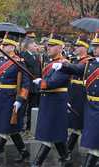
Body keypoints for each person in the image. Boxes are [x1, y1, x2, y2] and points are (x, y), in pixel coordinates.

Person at [52, 34, 99, 167]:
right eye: (94, 46)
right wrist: (63, 65)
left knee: (94, 142)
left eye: (97, 47)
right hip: (91, 105)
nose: (94, 49)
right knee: (93, 141)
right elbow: (77, 69)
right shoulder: (91, 63)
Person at [0, 38, 30, 166]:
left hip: (10, 98)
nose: (2, 46)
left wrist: (20, 100)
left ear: (13, 47)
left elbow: (26, 83)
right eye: (2, 45)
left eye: (5, 45)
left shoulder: (19, 62)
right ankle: (24, 151)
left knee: (4, 128)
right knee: (4, 128)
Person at [31, 34, 72, 167]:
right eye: (48, 45)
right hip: (48, 100)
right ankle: (66, 157)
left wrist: (40, 82)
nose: (48, 47)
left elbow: (53, 83)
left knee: (49, 132)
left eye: (52, 45)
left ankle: (37, 163)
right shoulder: (49, 62)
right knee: (55, 132)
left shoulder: (64, 64)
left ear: (60, 48)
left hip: (57, 101)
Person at [66, 35, 91, 157]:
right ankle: (68, 151)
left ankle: (68, 151)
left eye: (78, 46)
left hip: (82, 95)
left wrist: (66, 64)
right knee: (77, 124)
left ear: (85, 48)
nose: (75, 48)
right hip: (74, 94)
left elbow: (78, 70)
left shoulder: (87, 61)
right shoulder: (75, 59)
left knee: (81, 124)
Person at [20, 38, 41, 131]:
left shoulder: (36, 56)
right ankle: (20, 125)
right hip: (27, 85)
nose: (36, 47)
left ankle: (30, 125)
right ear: (28, 46)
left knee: (33, 106)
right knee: (23, 106)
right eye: (34, 45)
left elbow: (39, 70)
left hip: (35, 85)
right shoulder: (23, 55)